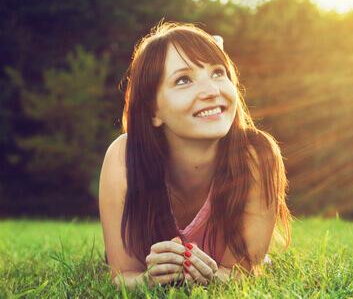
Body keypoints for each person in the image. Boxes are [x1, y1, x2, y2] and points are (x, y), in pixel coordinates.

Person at [98, 21, 291, 288]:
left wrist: (212, 277)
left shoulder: (256, 157)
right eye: (183, 80)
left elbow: (244, 272)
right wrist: (147, 279)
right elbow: (121, 277)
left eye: (217, 73)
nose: (212, 91)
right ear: (153, 110)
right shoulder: (122, 158)